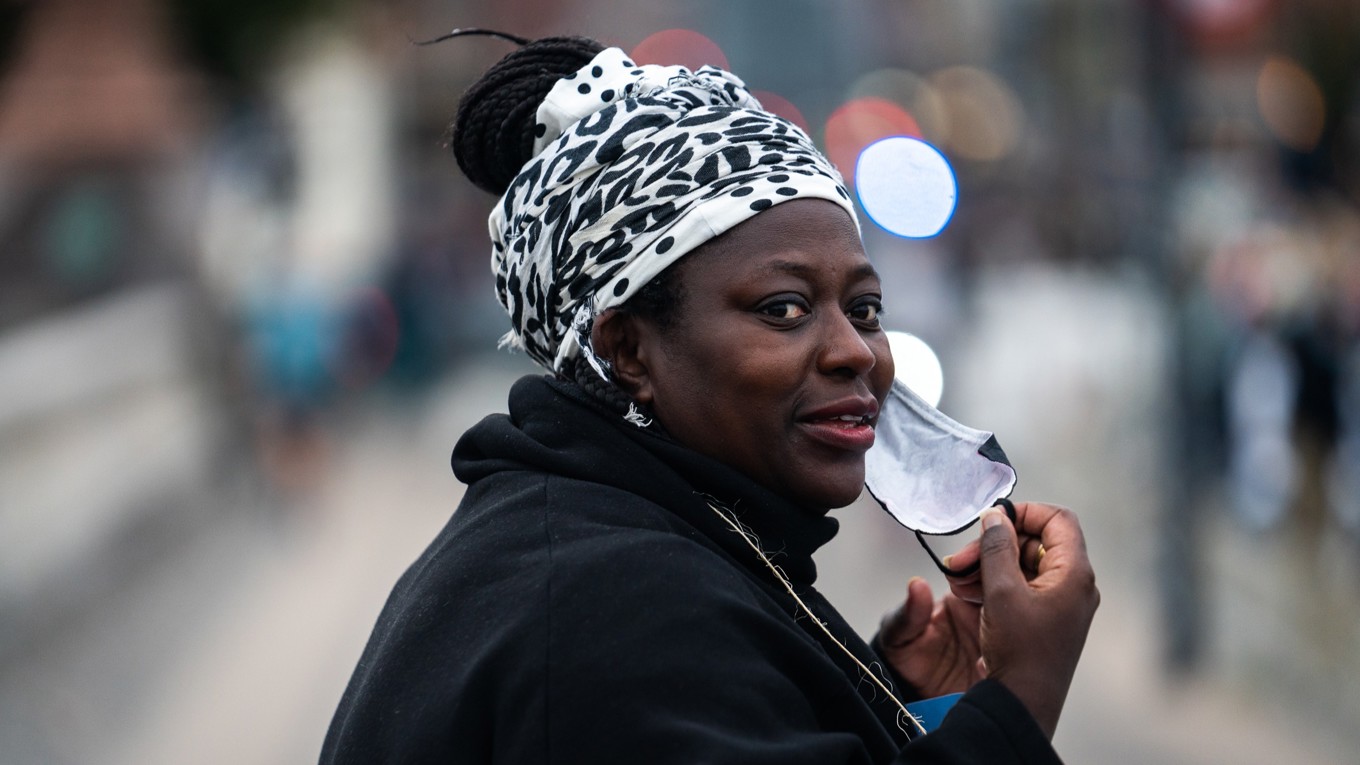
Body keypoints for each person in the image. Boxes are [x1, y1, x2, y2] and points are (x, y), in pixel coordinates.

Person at [322, 33, 1099, 764]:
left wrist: (894, 702)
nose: (856, 350)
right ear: (628, 349)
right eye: (783, 309)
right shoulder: (618, 611)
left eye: (864, 308)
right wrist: (1021, 701)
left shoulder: (612, 531)